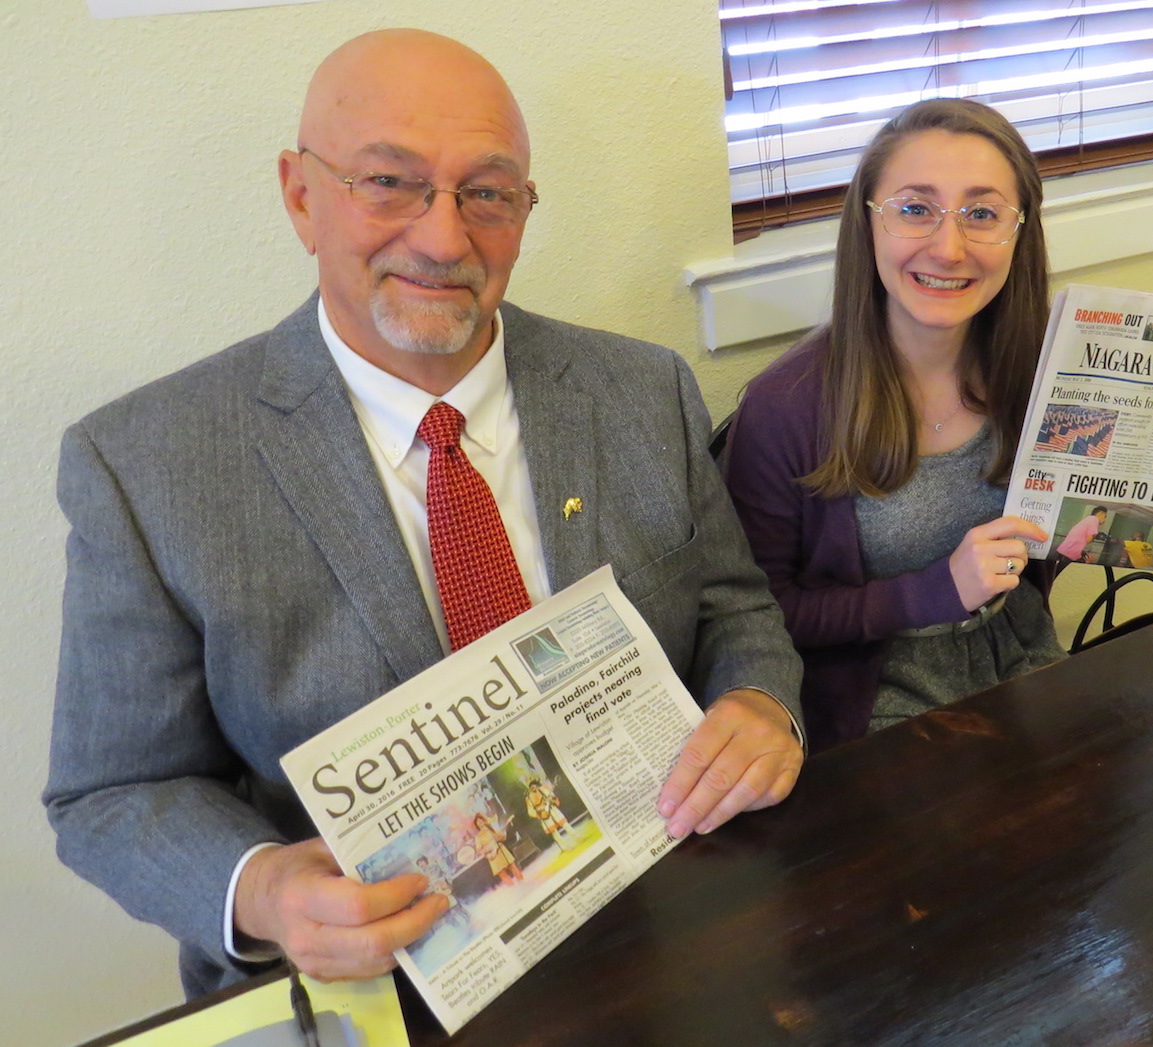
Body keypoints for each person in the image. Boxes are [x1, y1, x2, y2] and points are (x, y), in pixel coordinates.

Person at [44, 29, 802, 998]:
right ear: (300, 194)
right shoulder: (144, 465)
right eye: (388, 183)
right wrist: (266, 889)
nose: (445, 240)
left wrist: (759, 705)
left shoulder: (642, 390)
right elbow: (108, 793)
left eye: (487, 193)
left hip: (654, 926)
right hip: (370, 979)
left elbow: (739, 613)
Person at [723, 99, 1153, 752]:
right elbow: (757, 618)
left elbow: (1091, 527)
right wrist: (935, 592)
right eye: (915, 207)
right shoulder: (786, 406)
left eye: (981, 213)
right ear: (868, 220)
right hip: (872, 699)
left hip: (1020, 651)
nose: (949, 246)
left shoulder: (1054, 366)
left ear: (1019, 231)